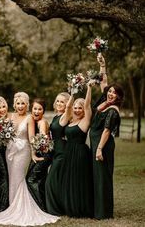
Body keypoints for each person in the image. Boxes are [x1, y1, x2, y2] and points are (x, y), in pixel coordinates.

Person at [0, 92, 60, 226]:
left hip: (23, 151)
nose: (20, 106)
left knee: (19, 177)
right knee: (11, 179)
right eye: (18, 103)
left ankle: (20, 208)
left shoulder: (29, 118)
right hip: (10, 151)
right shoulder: (10, 116)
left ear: (27, 105)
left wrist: (33, 154)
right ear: (14, 105)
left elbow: (32, 138)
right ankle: (12, 206)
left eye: (23, 103)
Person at [90, 53, 124, 219]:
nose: (110, 94)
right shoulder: (105, 101)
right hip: (96, 142)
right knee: (97, 176)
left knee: (102, 177)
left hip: (102, 145)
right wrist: (102, 65)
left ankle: (103, 213)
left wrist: (99, 149)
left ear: (119, 97)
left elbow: (107, 131)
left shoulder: (113, 110)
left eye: (114, 93)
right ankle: (97, 209)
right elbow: (103, 81)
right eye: (110, 91)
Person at [59, 83, 94, 218]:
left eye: (80, 108)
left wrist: (89, 88)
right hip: (68, 152)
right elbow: (68, 106)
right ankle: (70, 206)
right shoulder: (71, 120)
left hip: (80, 153)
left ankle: (80, 208)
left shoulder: (85, 120)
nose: (78, 109)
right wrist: (73, 91)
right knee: (69, 179)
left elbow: (88, 105)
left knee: (79, 180)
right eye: (76, 107)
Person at [45, 92, 71, 215]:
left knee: (51, 181)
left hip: (62, 152)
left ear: (67, 104)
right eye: (58, 101)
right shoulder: (56, 116)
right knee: (57, 180)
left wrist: (74, 90)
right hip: (55, 151)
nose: (59, 103)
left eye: (63, 102)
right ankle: (59, 207)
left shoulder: (65, 116)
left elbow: (70, 107)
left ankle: (54, 209)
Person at [26, 98, 53, 211]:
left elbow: (42, 136)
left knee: (30, 179)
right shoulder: (36, 121)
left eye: (39, 109)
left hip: (44, 155)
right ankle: (45, 206)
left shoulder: (42, 122)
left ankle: (40, 208)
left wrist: (42, 139)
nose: (37, 111)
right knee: (41, 180)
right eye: (35, 109)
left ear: (43, 111)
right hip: (41, 153)